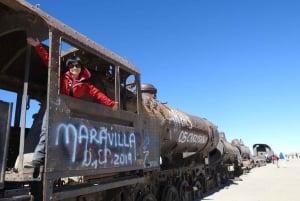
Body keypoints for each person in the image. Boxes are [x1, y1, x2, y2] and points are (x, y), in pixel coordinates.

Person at [25, 37, 118, 168]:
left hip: (69, 110)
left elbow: (97, 94)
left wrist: (111, 104)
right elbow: (49, 61)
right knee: (46, 130)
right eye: (72, 66)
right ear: (69, 67)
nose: (74, 68)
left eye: (77, 66)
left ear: (81, 68)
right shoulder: (61, 76)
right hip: (56, 106)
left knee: (77, 133)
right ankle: (39, 158)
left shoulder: (85, 85)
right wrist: (37, 45)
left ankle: (73, 159)